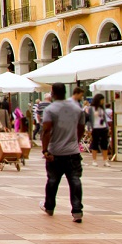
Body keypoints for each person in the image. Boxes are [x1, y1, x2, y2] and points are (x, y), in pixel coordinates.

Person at [41, 82, 84, 222]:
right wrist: (75, 141)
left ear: (53, 93)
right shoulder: (76, 108)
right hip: (73, 152)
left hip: (55, 152)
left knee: (53, 181)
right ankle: (77, 211)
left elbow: (46, 131)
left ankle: (49, 207)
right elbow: (81, 128)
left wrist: (45, 150)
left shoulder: (50, 109)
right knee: (75, 180)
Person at [88, 93, 110, 167]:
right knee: (95, 143)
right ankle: (94, 160)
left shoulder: (102, 108)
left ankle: (105, 160)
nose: (103, 101)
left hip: (103, 127)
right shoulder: (91, 108)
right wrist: (89, 128)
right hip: (95, 127)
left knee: (104, 144)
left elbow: (104, 118)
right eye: (102, 100)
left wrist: (107, 126)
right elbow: (89, 119)